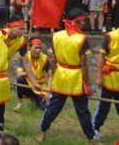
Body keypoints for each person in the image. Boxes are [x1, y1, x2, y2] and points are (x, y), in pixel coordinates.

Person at [38, 8, 95, 143]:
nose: (83, 24)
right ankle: (91, 139)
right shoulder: (82, 39)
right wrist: (88, 84)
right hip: (76, 77)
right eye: (81, 22)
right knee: (83, 110)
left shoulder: (57, 36)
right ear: (75, 23)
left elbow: (53, 60)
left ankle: (42, 133)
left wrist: (52, 75)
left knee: (53, 108)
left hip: (61, 75)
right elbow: (84, 65)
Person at [93, 26, 119, 139]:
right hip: (109, 76)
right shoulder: (110, 36)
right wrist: (99, 76)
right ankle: (95, 128)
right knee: (104, 105)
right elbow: (101, 57)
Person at [14, 37, 52, 111]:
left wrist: (48, 92)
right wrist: (29, 73)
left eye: (40, 48)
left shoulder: (45, 58)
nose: (38, 50)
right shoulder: (24, 57)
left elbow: (50, 76)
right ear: (29, 47)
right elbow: (19, 74)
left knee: (44, 108)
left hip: (39, 86)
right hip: (28, 85)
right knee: (20, 80)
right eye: (36, 48)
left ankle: (35, 99)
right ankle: (20, 102)